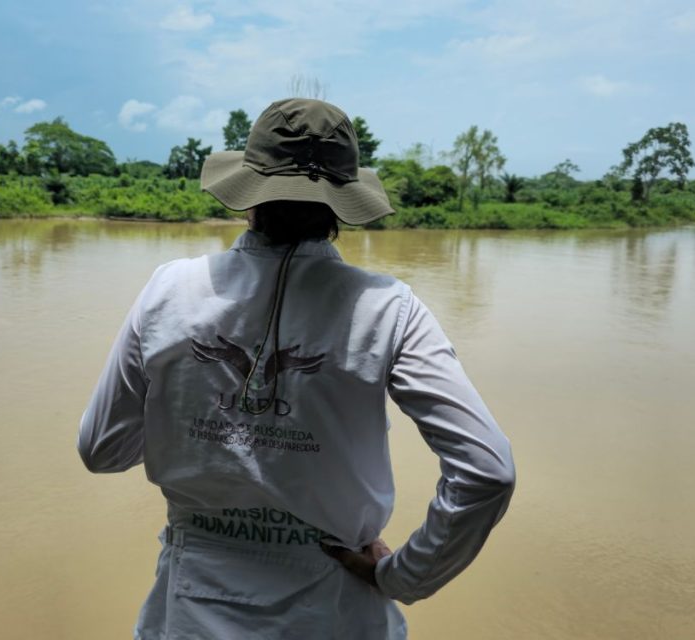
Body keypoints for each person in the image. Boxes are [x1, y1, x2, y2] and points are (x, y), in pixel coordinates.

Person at [78, 98, 515, 639]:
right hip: (335, 604)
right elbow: (487, 471)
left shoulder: (169, 290)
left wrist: (196, 422)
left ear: (248, 194)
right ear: (341, 205)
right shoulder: (388, 308)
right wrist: (403, 575)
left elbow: (101, 450)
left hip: (192, 603)